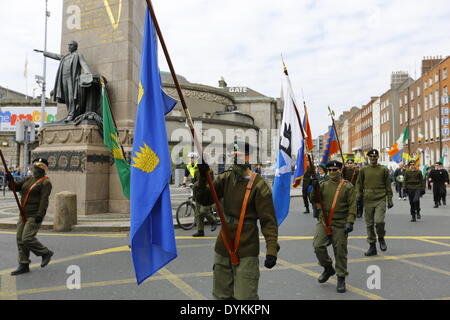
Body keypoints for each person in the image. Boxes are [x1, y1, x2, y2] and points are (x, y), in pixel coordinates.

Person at [193, 141, 279, 300]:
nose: (234, 157)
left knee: (245, 297)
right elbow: (204, 199)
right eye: (233, 154)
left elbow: (269, 222)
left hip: (247, 247)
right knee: (221, 296)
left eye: (239, 154)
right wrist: (203, 178)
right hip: (223, 246)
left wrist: (271, 249)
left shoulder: (259, 185)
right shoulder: (225, 178)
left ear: (249, 157)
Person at [310, 160, 356, 293]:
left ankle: (341, 277)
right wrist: (314, 188)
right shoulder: (322, 184)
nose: (332, 173)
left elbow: (352, 206)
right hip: (324, 221)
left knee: (340, 251)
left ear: (340, 170)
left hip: (341, 223)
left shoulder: (347, 187)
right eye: (330, 170)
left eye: (335, 170)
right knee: (318, 245)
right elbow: (315, 200)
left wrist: (350, 221)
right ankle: (328, 267)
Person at [6, 158, 53, 276]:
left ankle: (45, 253)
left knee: (27, 238)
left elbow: (44, 201)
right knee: (19, 239)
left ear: (44, 170)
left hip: (34, 215)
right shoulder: (29, 178)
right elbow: (15, 187)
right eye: (35, 167)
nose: (36, 170)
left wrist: (40, 215)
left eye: (39, 168)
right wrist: (9, 179)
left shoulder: (45, 183)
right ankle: (23, 264)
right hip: (23, 213)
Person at [356, 149, 393, 256]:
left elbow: (388, 186)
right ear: (368, 157)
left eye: (375, 157)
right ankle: (372, 246)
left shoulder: (383, 170)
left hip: (380, 198)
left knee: (379, 221)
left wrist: (389, 199)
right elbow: (359, 184)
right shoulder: (363, 170)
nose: (373, 158)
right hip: (367, 199)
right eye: (371, 157)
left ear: (378, 157)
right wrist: (358, 195)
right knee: (369, 224)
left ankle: (381, 237)